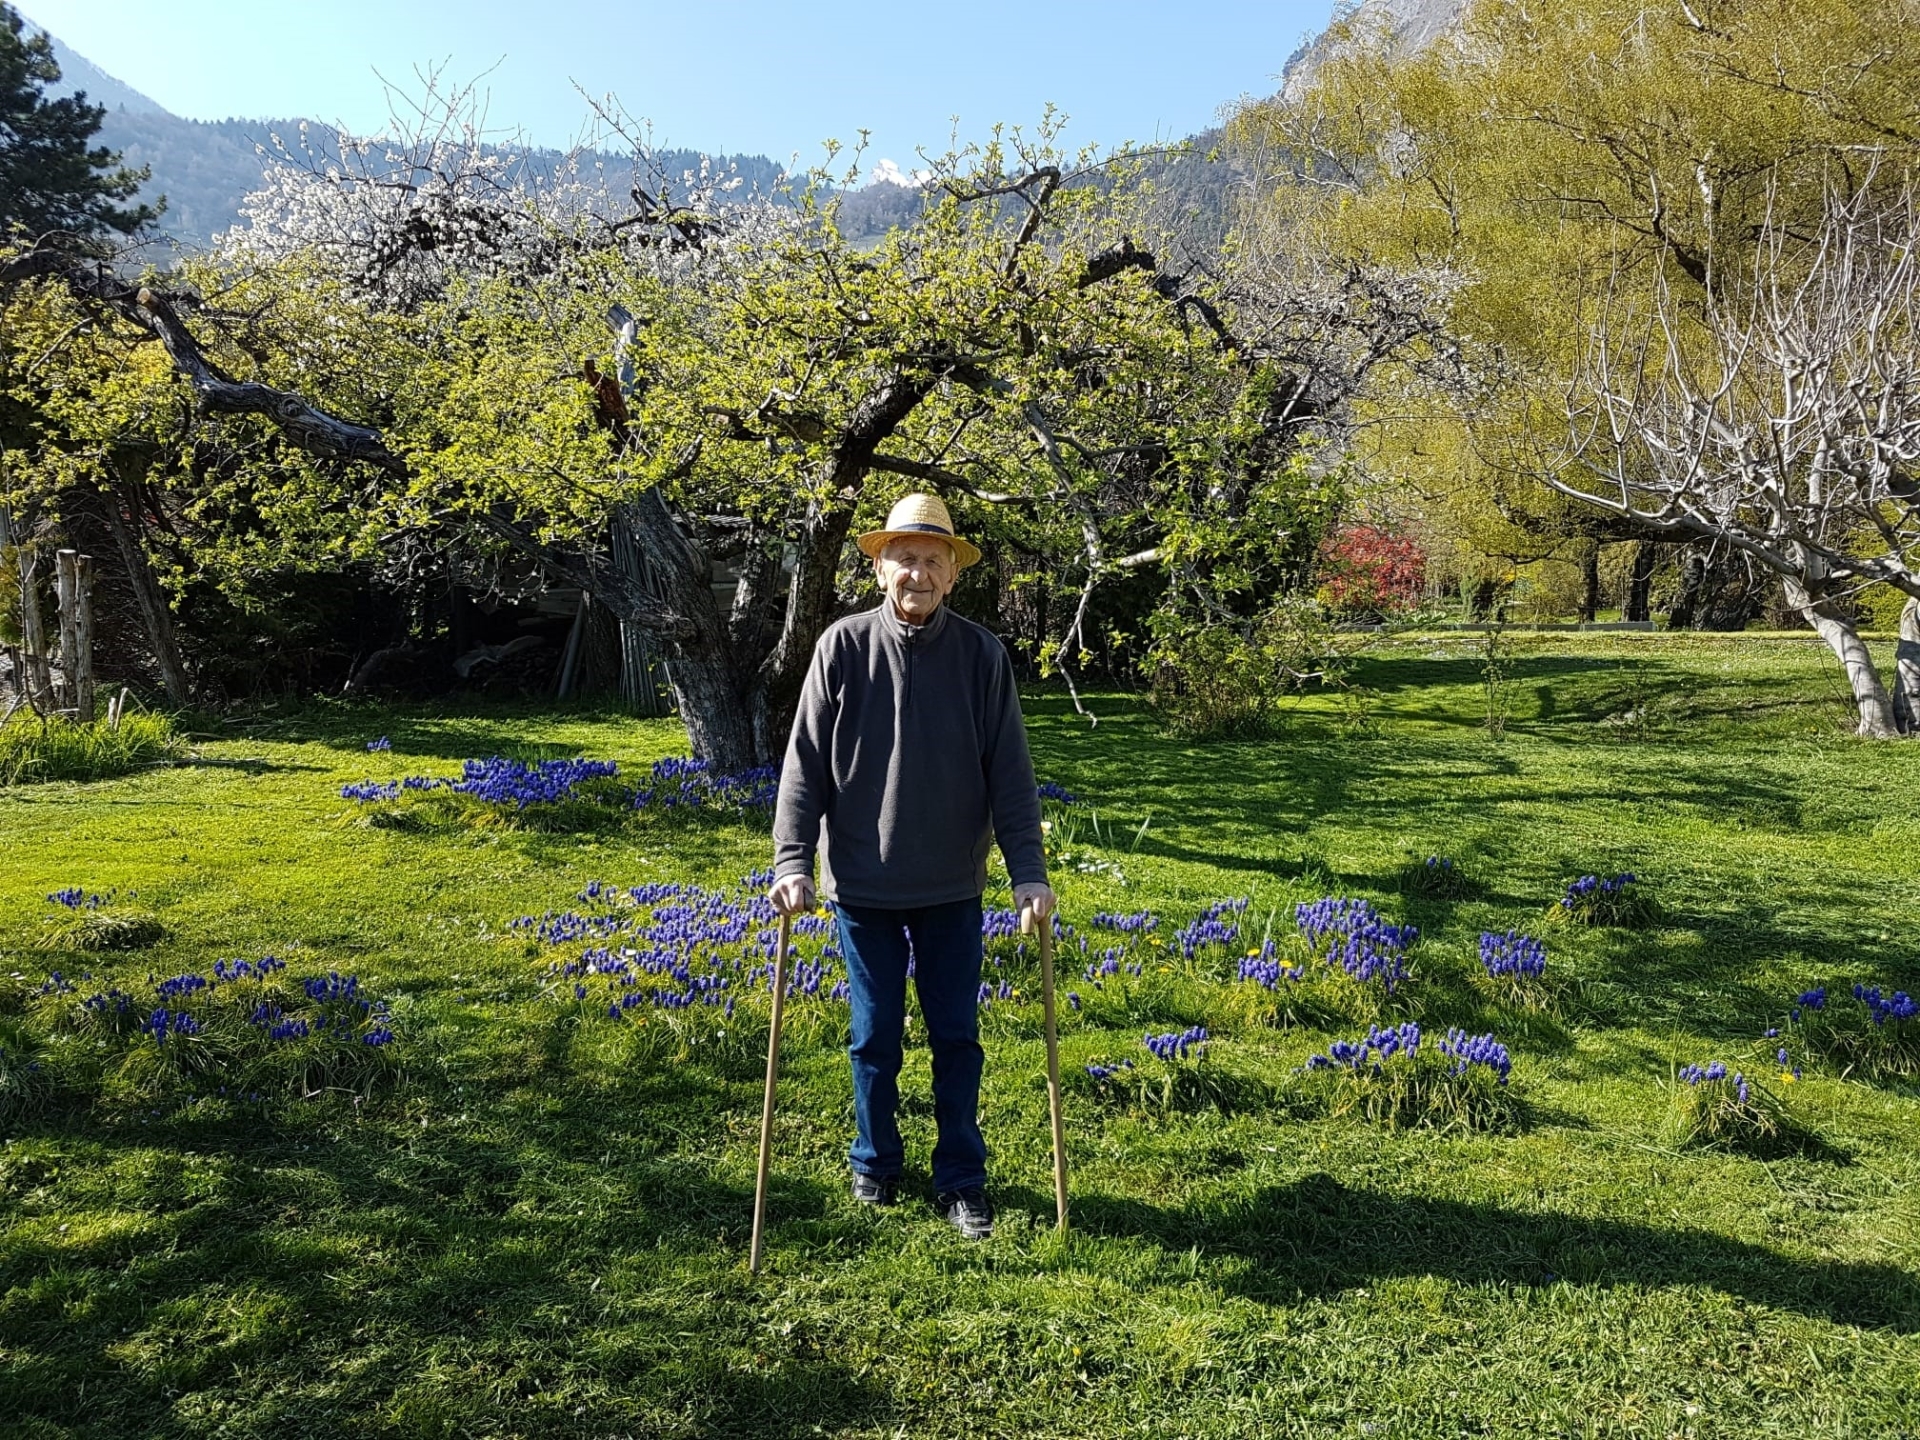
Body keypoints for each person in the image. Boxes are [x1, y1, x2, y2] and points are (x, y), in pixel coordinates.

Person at [769, 493, 1055, 1240]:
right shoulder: (840, 647)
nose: (918, 573)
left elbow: (1012, 777)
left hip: (952, 884)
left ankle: (961, 1177)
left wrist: (1029, 872)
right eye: (905, 558)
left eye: (934, 560)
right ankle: (875, 1162)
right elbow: (803, 767)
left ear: (953, 575)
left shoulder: (981, 656)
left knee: (957, 1037)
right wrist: (793, 859)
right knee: (874, 1036)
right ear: (880, 568)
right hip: (862, 882)